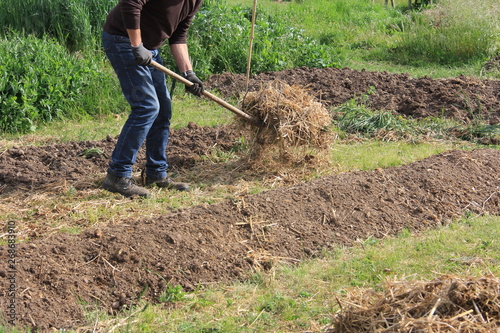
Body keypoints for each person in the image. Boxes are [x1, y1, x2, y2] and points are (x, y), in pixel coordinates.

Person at [101, 0, 204, 198]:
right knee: (147, 107)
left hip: (149, 49)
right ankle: (117, 175)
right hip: (122, 39)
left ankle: (156, 173)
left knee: (163, 110)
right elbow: (130, 3)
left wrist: (188, 73)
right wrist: (136, 45)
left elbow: (178, 35)